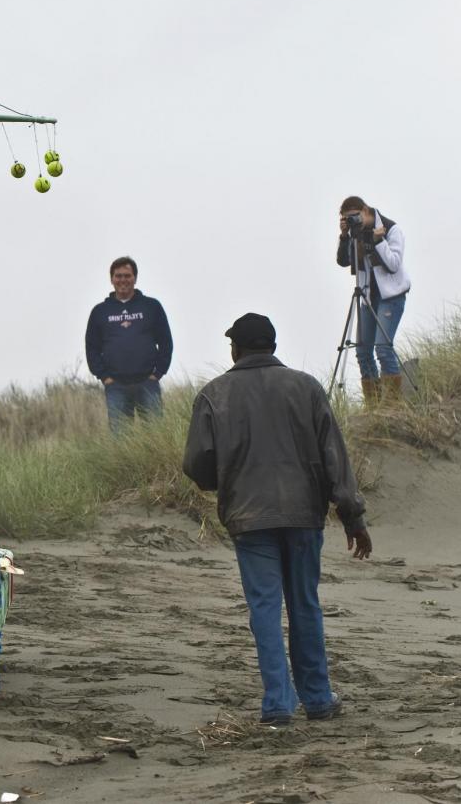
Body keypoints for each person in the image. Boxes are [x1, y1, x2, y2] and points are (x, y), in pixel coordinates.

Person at [182, 313, 373, 726]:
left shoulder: (214, 394)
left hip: (249, 517)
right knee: (304, 604)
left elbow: (197, 464)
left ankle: (278, 705)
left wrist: (226, 481)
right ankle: (318, 699)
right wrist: (352, 516)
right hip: (303, 514)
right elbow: (335, 458)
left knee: (265, 609)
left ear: (236, 349)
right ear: (271, 346)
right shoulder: (306, 388)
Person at [84, 256, 173, 431]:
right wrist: (104, 377)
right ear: (111, 279)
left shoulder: (151, 306)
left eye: (127, 275)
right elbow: (92, 348)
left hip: (148, 383)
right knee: (121, 439)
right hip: (115, 386)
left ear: (135, 278)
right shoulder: (100, 311)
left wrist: (158, 373)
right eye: (118, 276)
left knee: (155, 435)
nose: (123, 280)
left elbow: (166, 342)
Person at [336, 196, 410, 403]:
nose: (353, 221)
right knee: (362, 352)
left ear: (366, 210)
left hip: (391, 296)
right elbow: (343, 261)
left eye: (355, 216)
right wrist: (344, 236)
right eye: (348, 218)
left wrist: (379, 241)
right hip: (367, 296)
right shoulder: (355, 234)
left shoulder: (391, 229)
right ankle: (374, 407)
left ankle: (393, 406)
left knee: (383, 348)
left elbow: (393, 264)